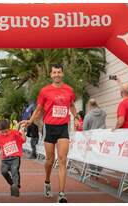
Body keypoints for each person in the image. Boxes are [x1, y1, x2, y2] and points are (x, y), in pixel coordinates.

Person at [21, 63, 77, 203]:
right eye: (54, 72)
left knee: (63, 160)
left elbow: (72, 105)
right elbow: (39, 109)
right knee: (50, 161)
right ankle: (47, 181)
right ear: (51, 75)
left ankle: (62, 194)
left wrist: (76, 117)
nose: (57, 74)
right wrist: (30, 121)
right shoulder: (45, 91)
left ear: (62, 74)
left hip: (63, 127)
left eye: (59, 72)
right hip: (49, 127)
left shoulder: (69, 90)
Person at [0, 119, 26, 197]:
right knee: (3, 172)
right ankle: (12, 184)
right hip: (5, 159)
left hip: (15, 158)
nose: (5, 134)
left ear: (9, 128)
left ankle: (15, 186)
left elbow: (23, 140)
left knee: (14, 170)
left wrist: (22, 131)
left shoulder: (14, 133)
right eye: (2, 132)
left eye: (6, 131)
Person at [83, 98, 107, 175]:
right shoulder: (103, 112)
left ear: (89, 105)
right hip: (102, 137)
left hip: (92, 138)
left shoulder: (88, 116)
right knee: (100, 153)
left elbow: (85, 129)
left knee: (91, 154)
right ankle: (99, 171)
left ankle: (93, 171)